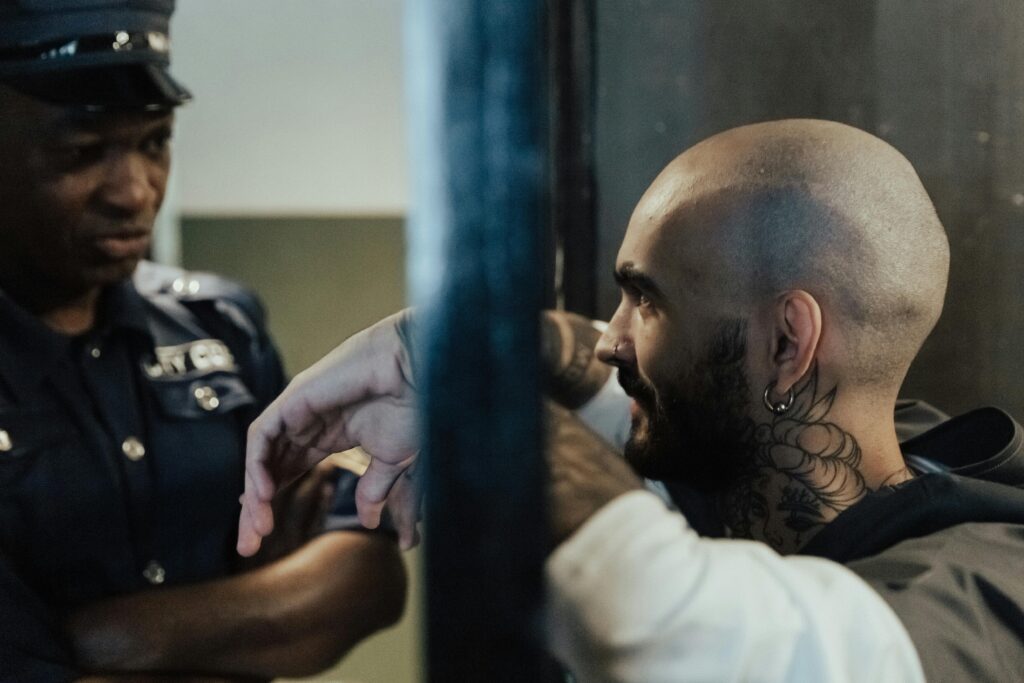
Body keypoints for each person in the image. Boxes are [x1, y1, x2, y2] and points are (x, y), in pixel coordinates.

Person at [238, 120, 1024, 682]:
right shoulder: (747, 465)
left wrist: (486, 407)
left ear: (788, 344)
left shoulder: (986, 587)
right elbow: (604, 373)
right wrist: (429, 346)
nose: (614, 336)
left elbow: (689, 636)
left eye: (645, 301)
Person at [0, 2, 405, 681]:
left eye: (154, 142)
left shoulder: (220, 323)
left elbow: (366, 571)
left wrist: (116, 638)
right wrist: (253, 624)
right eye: (81, 154)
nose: (135, 190)